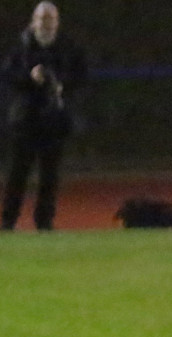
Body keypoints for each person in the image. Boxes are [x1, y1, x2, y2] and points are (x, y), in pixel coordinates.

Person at [1, 1, 86, 231]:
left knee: (50, 175)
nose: (46, 24)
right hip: (25, 120)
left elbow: (81, 76)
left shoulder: (68, 47)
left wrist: (62, 85)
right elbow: (8, 75)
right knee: (18, 174)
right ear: (34, 21)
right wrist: (30, 77)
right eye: (42, 19)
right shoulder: (21, 46)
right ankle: (8, 220)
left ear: (57, 22)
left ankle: (44, 221)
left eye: (51, 19)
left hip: (54, 120)